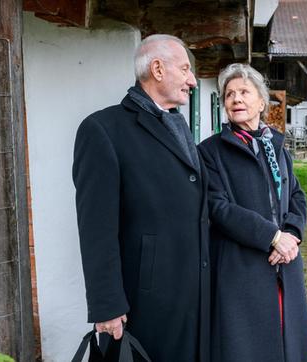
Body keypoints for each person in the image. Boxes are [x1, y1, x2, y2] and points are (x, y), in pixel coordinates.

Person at [72, 34, 210, 361]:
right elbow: (96, 227)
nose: (192, 81)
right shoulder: (102, 129)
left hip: (194, 292)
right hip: (147, 301)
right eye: (186, 69)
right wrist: (107, 306)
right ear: (158, 69)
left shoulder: (179, 125)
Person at [198, 63, 307, 362]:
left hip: (284, 264)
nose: (236, 99)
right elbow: (218, 207)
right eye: (229, 94)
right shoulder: (210, 151)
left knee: (286, 345)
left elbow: (297, 196)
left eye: (244, 92)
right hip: (242, 269)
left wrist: (292, 235)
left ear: (261, 102)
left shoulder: (276, 147)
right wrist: (272, 237)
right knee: (247, 350)